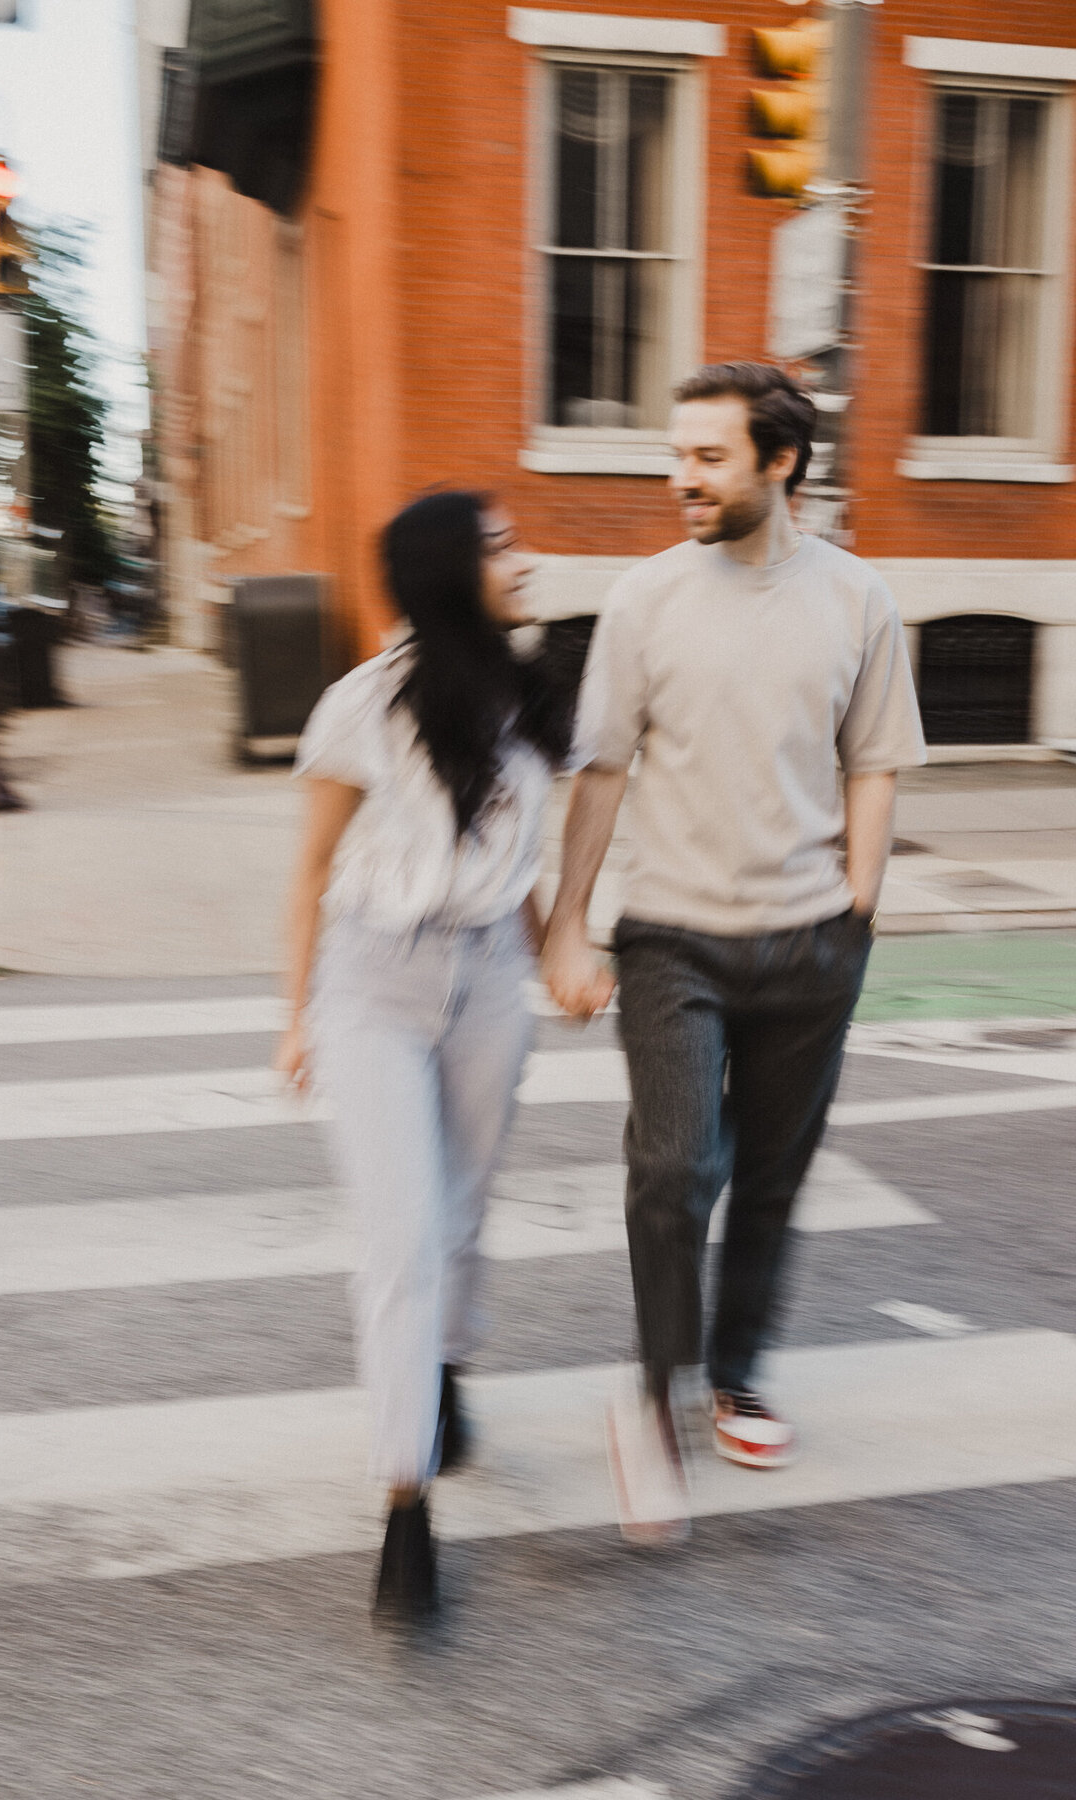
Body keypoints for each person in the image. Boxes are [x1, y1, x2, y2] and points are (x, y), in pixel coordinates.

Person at [542, 362, 927, 1545]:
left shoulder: (858, 600)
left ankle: (736, 1373)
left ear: (780, 463)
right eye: (677, 455)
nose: (681, 479)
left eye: (706, 458)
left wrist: (856, 907)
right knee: (674, 1167)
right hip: (672, 942)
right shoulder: (643, 600)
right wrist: (567, 920)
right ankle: (654, 1396)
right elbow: (602, 768)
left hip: (810, 943)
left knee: (769, 1176)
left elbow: (875, 759)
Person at [277, 490, 570, 1624]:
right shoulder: (363, 706)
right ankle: (407, 1504)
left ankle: (446, 1367)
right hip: (374, 982)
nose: (526, 560)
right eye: (503, 546)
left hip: (491, 976)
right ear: (453, 571)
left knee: (461, 1215)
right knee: (401, 1237)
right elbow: (309, 869)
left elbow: (528, 856)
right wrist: (295, 1015)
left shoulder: (534, 695)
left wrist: (559, 956)